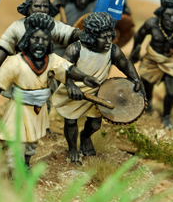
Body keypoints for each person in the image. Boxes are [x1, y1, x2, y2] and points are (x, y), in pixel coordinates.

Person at [0, 13, 91, 173]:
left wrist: (84, 77)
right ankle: (13, 172)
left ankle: (26, 164)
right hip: (19, 108)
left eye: (44, 39)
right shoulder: (15, 62)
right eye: (35, 39)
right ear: (27, 40)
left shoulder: (52, 60)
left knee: (32, 142)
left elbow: (67, 69)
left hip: (39, 110)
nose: (40, 43)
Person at [52, 12, 142, 163]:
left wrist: (135, 79)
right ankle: (72, 148)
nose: (108, 41)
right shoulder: (75, 49)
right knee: (71, 121)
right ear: (91, 36)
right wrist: (70, 85)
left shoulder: (112, 50)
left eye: (110, 36)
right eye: (103, 37)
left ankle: (86, 137)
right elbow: (62, 69)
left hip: (97, 92)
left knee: (95, 124)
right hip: (74, 91)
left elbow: (125, 64)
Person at [129, 0, 173, 129]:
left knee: (172, 93)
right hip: (152, 59)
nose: (172, 20)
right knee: (146, 86)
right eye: (168, 15)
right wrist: (135, 51)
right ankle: (147, 106)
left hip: (171, 62)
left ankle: (166, 116)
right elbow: (139, 36)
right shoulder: (152, 23)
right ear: (161, 13)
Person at [0, 0, 79, 76]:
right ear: (28, 7)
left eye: (45, 6)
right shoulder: (17, 27)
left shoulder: (54, 26)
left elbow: (72, 33)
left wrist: (85, 33)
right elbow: (5, 46)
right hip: (21, 71)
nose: (42, 10)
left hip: (47, 71)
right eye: (37, 6)